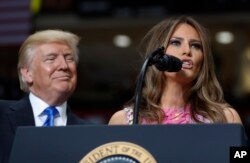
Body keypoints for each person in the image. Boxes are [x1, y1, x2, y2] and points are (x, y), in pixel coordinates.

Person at [108, 16, 243, 125]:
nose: (187, 51)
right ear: (157, 55)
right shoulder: (124, 121)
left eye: (196, 46)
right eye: (175, 42)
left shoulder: (225, 119)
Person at [0, 29, 93, 163]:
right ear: (27, 73)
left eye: (69, 58)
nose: (64, 65)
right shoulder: (2, 115)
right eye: (51, 59)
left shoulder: (89, 134)